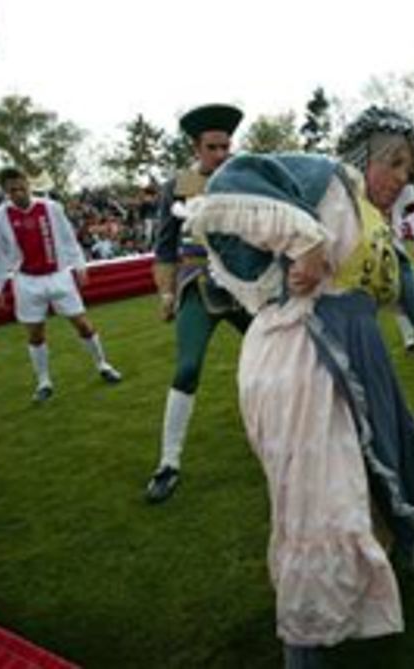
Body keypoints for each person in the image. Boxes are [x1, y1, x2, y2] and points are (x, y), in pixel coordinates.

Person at [186, 106, 414, 668]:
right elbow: (230, 186)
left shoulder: (377, 228)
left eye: (410, 172)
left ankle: (352, 589)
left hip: (356, 365)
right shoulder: (322, 178)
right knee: (316, 501)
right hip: (297, 358)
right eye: (395, 163)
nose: (401, 179)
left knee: (359, 477)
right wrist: (306, 241)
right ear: (367, 154)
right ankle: (305, 639)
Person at [144, 104, 252, 503]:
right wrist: (167, 293)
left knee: (277, 356)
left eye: (226, 145)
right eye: (213, 147)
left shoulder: (245, 176)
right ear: (196, 146)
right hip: (199, 284)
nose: (222, 154)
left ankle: (282, 431)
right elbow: (164, 248)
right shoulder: (180, 183)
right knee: (187, 368)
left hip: (247, 285)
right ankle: (168, 463)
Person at [0, 168, 123, 403]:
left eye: (21, 187)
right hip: (26, 280)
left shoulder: (51, 207)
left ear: (29, 185)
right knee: (35, 333)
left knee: (83, 325)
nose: (18, 193)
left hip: (59, 275)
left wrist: (79, 264)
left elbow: (68, 237)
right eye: (12, 190)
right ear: (5, 192)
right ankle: (44, 382)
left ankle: (103, 364)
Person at [389, 182, 414, 354]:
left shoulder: (406, 185)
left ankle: (410, 341)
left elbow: (413, 211)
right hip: (360, 246)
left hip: (393, 244)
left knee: (402, 294)